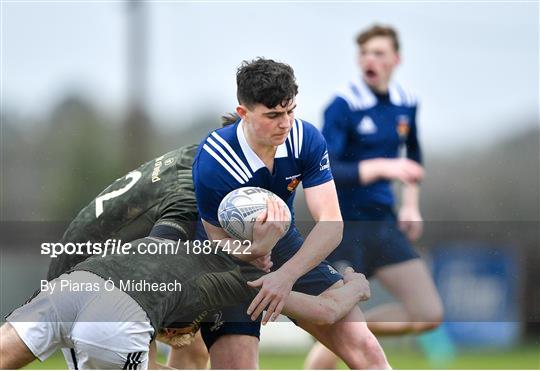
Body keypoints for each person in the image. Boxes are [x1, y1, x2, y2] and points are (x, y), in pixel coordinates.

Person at [192, 58, 390, 369]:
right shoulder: (214, 160)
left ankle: (350, 289)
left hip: (284, 245)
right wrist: (251, 251)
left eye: (290, 111)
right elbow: (215, 238)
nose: (285, 123)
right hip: (225, 259)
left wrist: (286, 276)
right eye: (273, 115)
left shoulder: (304, 139)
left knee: (366, 350)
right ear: (243, 114)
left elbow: (331, 223)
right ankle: (355, 287)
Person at [1, 236, 372, 369]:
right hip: (116, 312)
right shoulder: (238, 277)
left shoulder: (173, 242)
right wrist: (355, 284)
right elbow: (326, 311)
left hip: (73, 285)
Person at [305, 24, 444, 369]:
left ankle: (345, 338)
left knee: (428, 313)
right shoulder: (343, 104)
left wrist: (411, 205)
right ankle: (339, 341)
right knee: (334, 318)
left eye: (378, 53)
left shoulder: (406, 102)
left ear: (395, 59)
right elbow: (328, 168)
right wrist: (382, 166)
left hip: (383, 222)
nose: (370, 59)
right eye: (364, 53)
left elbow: (412, 159)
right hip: (344, 226)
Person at [45, 144, 210, 369]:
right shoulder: (190, 188)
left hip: (122, 268)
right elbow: (158, 255)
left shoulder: (198, 159)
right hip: (88, 282)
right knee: (139, 363)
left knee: (195, 349)